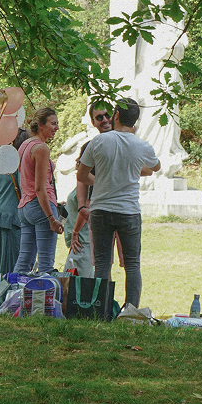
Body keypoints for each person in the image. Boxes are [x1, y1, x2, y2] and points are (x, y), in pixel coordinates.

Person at [77, 97, 161, 308]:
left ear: (116, 115)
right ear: (135, 121)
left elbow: (81, 175)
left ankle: (100, 308)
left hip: (100, 210)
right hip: (129, 211)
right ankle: (130, 310)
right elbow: (156, 167)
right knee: (132, 265)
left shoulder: (98, 142)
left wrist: (103, 181)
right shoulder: (142, 145)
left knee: (102, 263)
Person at [12, 108, 63, 275]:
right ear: (41, 125)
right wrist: (52, 218)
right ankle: (46, 292)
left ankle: (13, 290)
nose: (56, 127)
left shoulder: (24, 145)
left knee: (24, 261)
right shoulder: (41, 148)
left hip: (25, 207)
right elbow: (40, 188)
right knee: (46, 264)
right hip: (41, 206)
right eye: (53, 123)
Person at [66, 104, 114, 276]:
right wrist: (81, 209)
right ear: (93, 122)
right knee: (102, 264)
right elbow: (82, 182)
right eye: (99, 117)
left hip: (123, 210)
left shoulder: (126, 141)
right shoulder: (90, 147)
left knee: (129, 264)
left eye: (108, 115)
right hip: (100, 211)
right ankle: (104, 293)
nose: (105, 120)